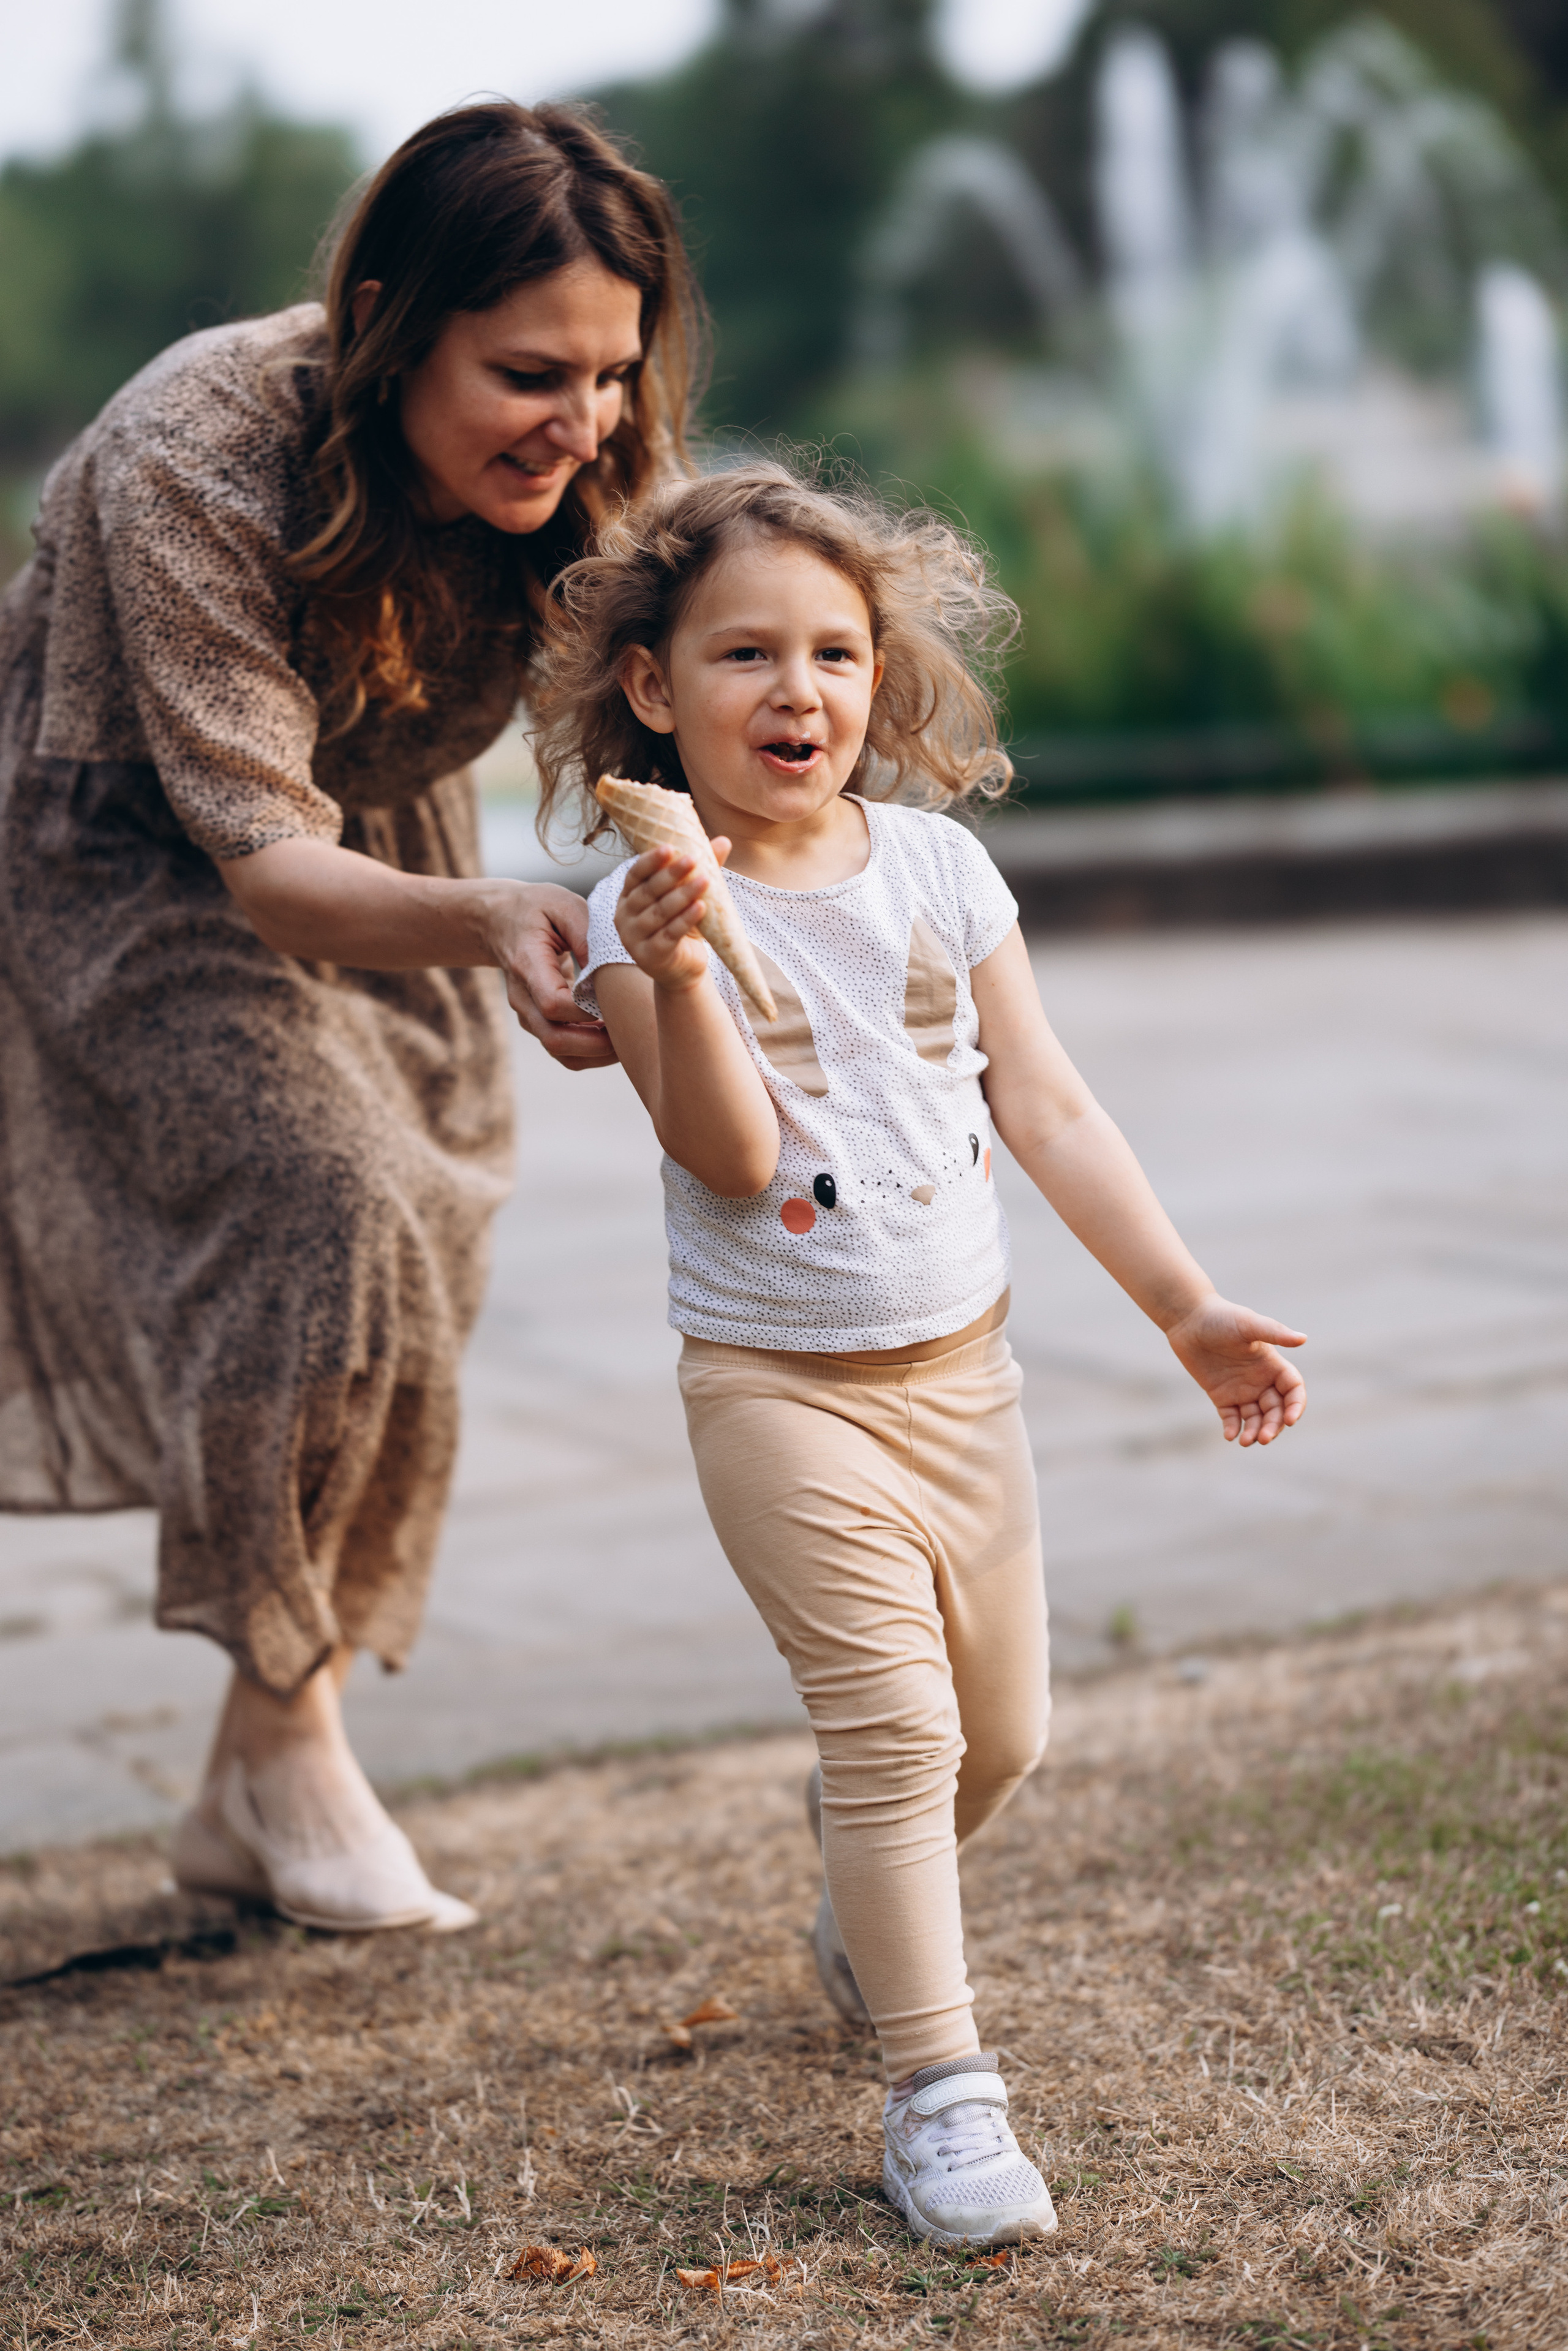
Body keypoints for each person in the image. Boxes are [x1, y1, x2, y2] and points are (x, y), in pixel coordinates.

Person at [535, 459, 1307, 2248]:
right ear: (653, 685)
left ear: (878, 678)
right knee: (894, 1730)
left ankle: (865, 1909)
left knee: (1001, 1739)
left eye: (834, 652)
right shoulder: (640, 913)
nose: (794, 689)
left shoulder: (943, 870)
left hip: (968, 1382)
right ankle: (941, 2094)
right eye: (743, 653)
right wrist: (678, 974)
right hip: (778, 1391)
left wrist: (1185, 1307)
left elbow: (1048, 1104)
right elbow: (730, 1155)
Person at [0, 104, 702, 1933]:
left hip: (381, 833)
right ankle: (295, 1743)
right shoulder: (196, 448)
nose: (583, 421)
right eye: (528, 374)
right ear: (387, 323)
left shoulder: (594, 457)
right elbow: (264, 863)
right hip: (136, 847)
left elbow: (688, 685)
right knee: (323, 1204)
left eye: (611, 374)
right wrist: (499, 917)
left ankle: (250, 1772)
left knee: (419, 1252)